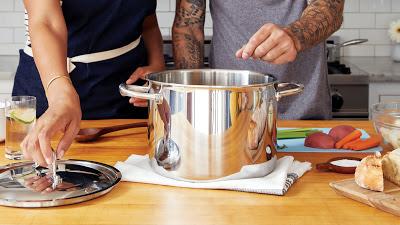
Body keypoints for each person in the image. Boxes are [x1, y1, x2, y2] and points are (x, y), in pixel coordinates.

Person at [14, 0, 164, 166]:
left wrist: (157, 65)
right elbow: (45, 21)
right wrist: (60, 93)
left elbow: (148, 22)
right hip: (50, 87)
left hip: (126, 95)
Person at [172, 0, 344, 120]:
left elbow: (331, 8)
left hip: (304, 112)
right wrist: (188, 103)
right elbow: (188, 27)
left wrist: (294, 36)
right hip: (228, 114)